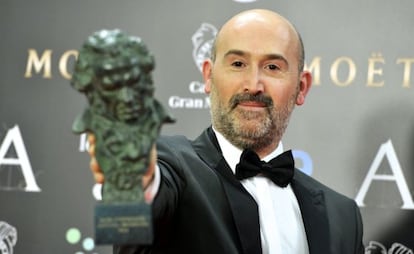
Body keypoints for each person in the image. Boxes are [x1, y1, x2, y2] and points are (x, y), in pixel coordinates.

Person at [88, 8, 364, 254]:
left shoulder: (342, 217)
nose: (253, 84)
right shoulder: (171, 165)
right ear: (208, 76)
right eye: (237, 64)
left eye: (272, 67)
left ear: (301, 87)